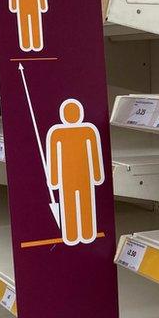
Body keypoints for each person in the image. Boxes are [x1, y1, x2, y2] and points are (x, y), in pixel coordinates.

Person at [46, 99, 104, 246]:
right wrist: (97, 176)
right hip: (84, 175)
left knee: (69, 205)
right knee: (85, 203)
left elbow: (53, 159)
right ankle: (87, 232)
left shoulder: (58, 133)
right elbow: (95, 156)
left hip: (67, 176)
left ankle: (72, 235)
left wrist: (53, 180)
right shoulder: (87, 131)